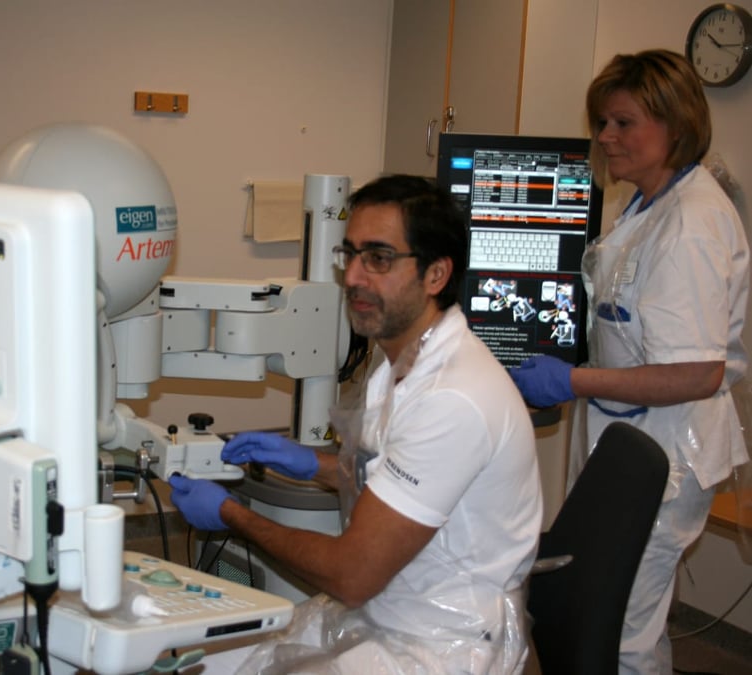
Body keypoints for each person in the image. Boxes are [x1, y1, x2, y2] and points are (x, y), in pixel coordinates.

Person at [168, 174, 543, 673]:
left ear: (435, 274)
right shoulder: (400, 361)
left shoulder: (453, 397)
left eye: (379, 258)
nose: (353, 277)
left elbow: (352, 575)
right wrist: (313, 465)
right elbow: (393, 479)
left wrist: (232, 515)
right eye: (350, 254)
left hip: (441, 646)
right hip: (390, 611)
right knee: (202, 661)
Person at [510, 49, 750, 674]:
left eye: (623, 123)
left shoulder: (691, 224)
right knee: (619, 617)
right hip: (633, 438)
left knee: (619, 631)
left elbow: (698, 372)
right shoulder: (648, 204)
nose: (605, 137)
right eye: (602, 122)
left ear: (675, 124)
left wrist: (570, 380)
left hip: (670, 453)